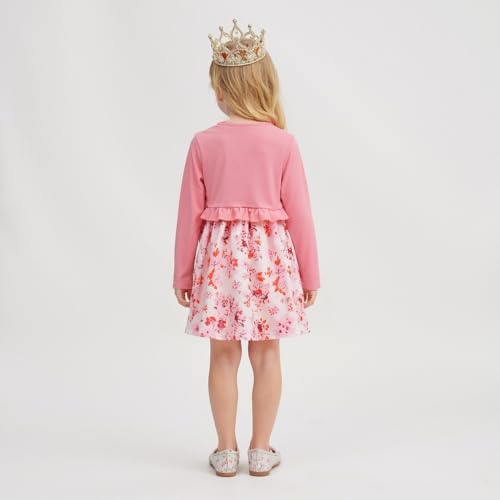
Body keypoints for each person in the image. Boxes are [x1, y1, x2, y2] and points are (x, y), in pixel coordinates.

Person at [172, 18, 320, 477]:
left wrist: (182, 274)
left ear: (221, 91)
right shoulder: (283, 144)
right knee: (266, 354)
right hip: (269, 264)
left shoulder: (204, 143)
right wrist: (310, 276)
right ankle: (260, 449)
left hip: (219, 264)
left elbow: (189, 215)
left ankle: (225, 450)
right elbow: (300, 214)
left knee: (222, 355)